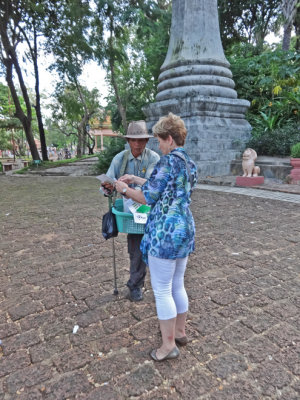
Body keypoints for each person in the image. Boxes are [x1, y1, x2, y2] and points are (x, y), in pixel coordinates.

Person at [115, 112, 197, 362]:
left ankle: (168, 345)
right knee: (178, 284)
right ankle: (180, 332)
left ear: (169, 139)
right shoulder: (188, 162)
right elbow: (165, 185)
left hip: (165, 231)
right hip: (184, 227)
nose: (158, 145)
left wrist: (125, 189)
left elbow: (146, 197)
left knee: (162, 290)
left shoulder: (166, 161)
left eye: (160, 140)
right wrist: (137, 178)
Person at [102, 120, 160, 302]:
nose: (137, 144)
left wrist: (131, 184)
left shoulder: (154, 158)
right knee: (136, 248)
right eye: (133, 140)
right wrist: (107, 187)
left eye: (141, 140)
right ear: (127, 140)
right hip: (130, 212)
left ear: (146, 141)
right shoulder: (120, 159)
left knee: (152, 249)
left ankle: (153, 284)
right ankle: (135, 284)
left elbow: (153, 185)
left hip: (150, 210)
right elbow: (107, 183)